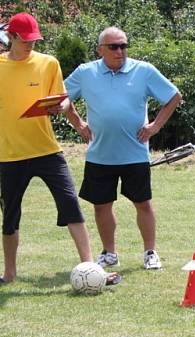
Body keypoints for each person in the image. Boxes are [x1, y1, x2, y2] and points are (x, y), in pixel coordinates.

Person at [0, 13, 116, 285]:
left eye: (35, 39)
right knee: (10, 215)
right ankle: (9, 274)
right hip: (9, 154)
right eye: (25, 40)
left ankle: (90, 268)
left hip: (47, 151)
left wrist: (60, 107)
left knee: (70, 205)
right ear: (12, 37)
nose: (31, 44)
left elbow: (64, 100)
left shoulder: (48, 63)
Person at [65, 27, 182, 270]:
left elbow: (173, 96)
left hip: (135, 153)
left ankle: (150, 252)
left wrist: (155, 127)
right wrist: (78, 124)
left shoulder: (144, 71)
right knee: (101, 205)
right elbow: (62, 98)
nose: (121, 51)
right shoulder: (86, 72)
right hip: (100, 154)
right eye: (114, 47)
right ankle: (109, 254)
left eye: (124, 46)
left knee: (143, 203)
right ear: (100, 50)